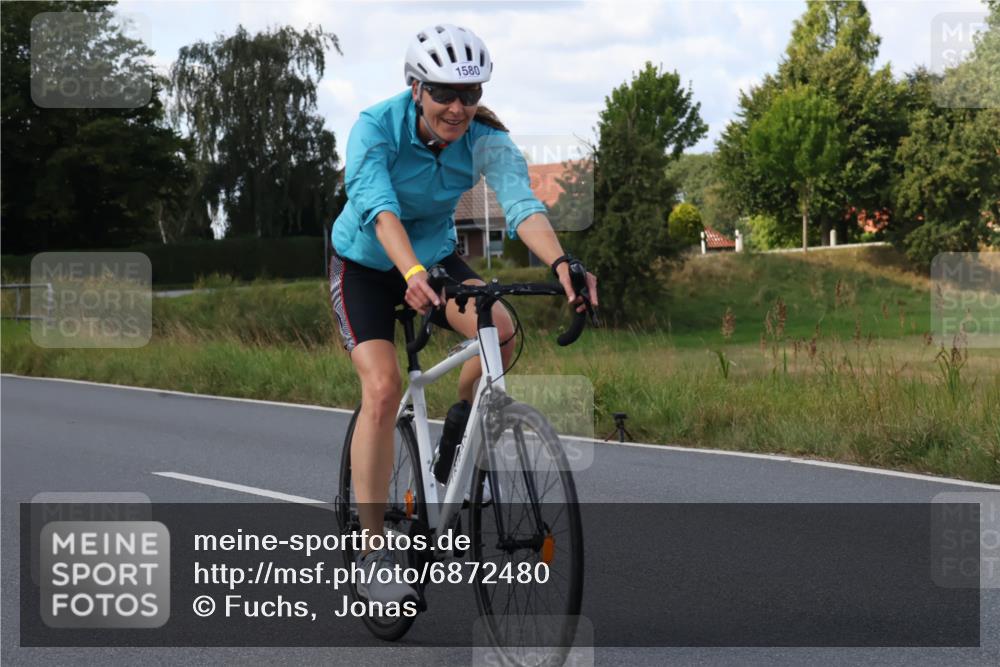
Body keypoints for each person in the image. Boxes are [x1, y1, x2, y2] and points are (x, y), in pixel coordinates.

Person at [329, 23, 598, 605]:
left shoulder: (486, 139)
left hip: (434, 256)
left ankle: (457, 429)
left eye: (470, 94)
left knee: (499, 330)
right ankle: (373, 551)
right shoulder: (376, 128)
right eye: (445, 93)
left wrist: (560, 264)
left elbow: (522, 204)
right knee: (382, 387)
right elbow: (378, 208)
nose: (458, 107)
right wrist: (410, 274)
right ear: (416, 88)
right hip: (367, 263)